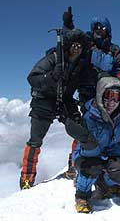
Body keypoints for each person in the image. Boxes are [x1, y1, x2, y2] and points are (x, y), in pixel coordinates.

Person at [20, 29, 92, 189]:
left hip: (65, 101)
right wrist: (51, 76)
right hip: (44, 100)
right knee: (35, 141)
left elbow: (92, 77)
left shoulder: (80, 65)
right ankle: (26, 178)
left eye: (80, 45)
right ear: (67, 45)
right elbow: (32, 78)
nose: (77, 48)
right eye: (74, 44)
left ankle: (74, 165)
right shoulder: (53, 58)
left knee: (80, 130)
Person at [65, 77, 120, 213]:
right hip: (87, 156)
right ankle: (82, 195)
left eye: (116, 97)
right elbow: (84, 145)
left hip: (109, 154)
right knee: (92, 166)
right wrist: (85, 140)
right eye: (108, 95)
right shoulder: (89, 117)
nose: (111, 102)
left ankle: (107, 184)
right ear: (100, 95)